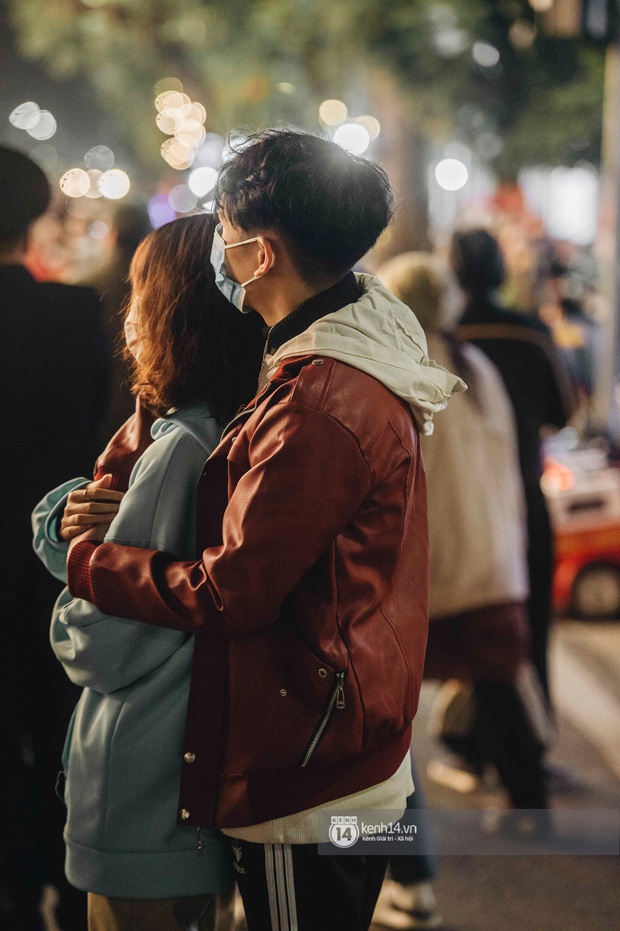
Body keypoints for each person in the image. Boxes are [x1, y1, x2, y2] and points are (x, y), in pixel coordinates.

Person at [64, 128, 464, 931]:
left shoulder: (316, 404)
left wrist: (94, 566)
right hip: (353, 748)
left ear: (263, 253)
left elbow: (231, 591)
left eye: (221, 229)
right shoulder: (360, 335)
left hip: (304, 780)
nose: (215, 244)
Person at [32, 214, 265, 931]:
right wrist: (69, 526)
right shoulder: (233, 426)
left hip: (141, 783)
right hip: (197, 772)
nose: (129, 315)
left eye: (140, 293)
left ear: (174, 309)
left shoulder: (176, 452)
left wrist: (68, 574)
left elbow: (107, 639)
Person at [374, 252, 550, 927]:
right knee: (501, 685)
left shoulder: (404, 373)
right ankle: (527, 808)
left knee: (388, 729)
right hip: (489, 561)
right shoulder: (479, 369)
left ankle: (408, 867)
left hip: (428, 571)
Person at [0, 145, 111, 931]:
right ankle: (71, 896)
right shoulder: (74, 317)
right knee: (63, 739)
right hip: (53, 567)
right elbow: (96, 451)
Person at [451, 228, 576, 706]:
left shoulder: (441, 337)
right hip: (525, 496)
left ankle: (482, 742)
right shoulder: (530, 332)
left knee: (476, 626)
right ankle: (535, 736)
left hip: (464, 504)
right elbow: (561, 413)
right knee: (534, 624)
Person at [82, 202, 152, 439]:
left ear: (113, 235)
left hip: (98, 403)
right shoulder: (164, 285)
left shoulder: (90, 284)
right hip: (147, 407)